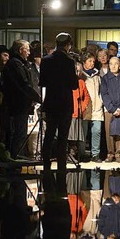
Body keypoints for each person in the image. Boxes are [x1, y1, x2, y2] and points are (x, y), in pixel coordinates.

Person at [40, 32, 79, 172]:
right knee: (63, 136)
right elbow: (74, 85)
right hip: (64, 103)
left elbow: (42, 82)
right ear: (68, 45)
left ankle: (46, 162)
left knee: (49, 133)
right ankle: (61, 164)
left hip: (51, 101)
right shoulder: (69, 61)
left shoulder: (45, 60)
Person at [3, 39, 42, 159]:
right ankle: (13, 160)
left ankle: (14, 159)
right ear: (21, 50)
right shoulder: (16, 64)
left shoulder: (21, 63)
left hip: (21, 104)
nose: (29, 53)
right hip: (17, 104)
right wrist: (38, 98)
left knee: (20, 133)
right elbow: (23, 83)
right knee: (18, 134)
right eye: (28, 50)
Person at [100, 56, 120, 162]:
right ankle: (110, 153)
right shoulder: (105, 78)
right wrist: (112, 108)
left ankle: (118, 153)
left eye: (116, 64)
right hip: (109, 109)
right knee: (109, 132)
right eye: (111, 64)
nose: (113, 66)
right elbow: (104, 94)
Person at [80, 52, 104, 162]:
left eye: (93, 61)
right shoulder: (81, 75)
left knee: (97, 131)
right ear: (84, 62)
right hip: (85, 107)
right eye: (89, 61)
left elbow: (101, 91)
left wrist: (100, 102)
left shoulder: (97, 74)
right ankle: (82, 153)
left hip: (96, 106)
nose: (92, 63)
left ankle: (96, 154)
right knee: (83, 132)